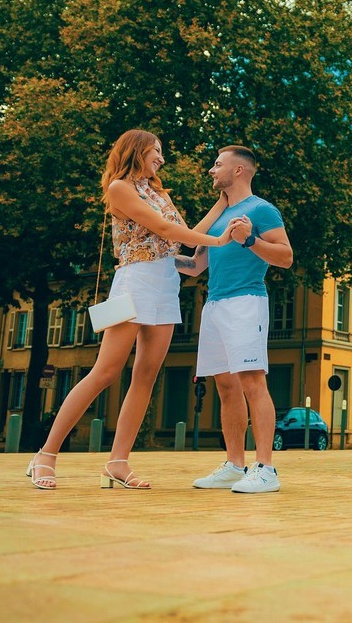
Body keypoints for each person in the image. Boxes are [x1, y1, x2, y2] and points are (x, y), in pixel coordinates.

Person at [26, 129, 248, 490]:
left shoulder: (158, 192)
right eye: (156, 151)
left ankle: (118, 461)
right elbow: (163, 228)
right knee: (105, 372)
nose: (161, 158)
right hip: (134, 283)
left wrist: (224, 204)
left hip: (165, 283)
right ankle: (46, 455)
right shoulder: (120, 188)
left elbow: (185, 232)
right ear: (137, 150)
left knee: (145, 377)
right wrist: (220, 240)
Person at [177, 145, 293, 493]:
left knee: (252, 381)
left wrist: (251, 240)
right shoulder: (216, 218)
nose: (211, 170)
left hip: (246, 302)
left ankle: (266, 469)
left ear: (239, 170)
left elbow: (285, 257)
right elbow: (195, 266)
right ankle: (234, 465)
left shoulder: (261, 209)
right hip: (214, 305)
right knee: (225, 387)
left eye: (217, 164)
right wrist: (151, 263)